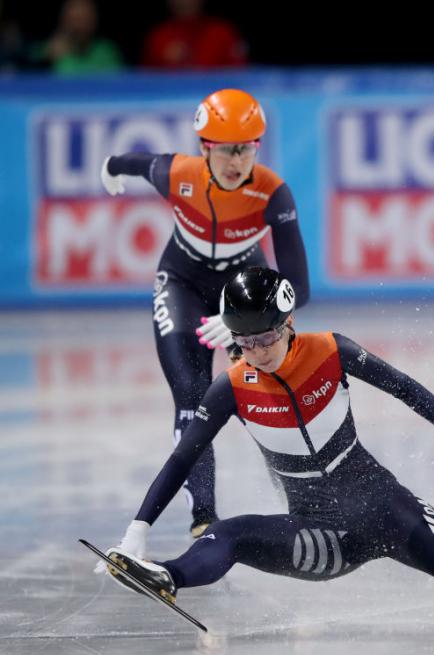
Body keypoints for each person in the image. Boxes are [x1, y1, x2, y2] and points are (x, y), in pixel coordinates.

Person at [97, 267, 434, 646]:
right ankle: (166, 576)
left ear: (287, 324)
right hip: (322, 537)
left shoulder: (330, 349)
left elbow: (406, 388)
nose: (256, 351)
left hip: (386, 508)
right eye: (243, 342)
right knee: (230, 535)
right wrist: (137, 531)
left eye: (265, 338)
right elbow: (182, 460)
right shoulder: (231, 387)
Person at [100, 89, 310, 538]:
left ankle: (303, 502)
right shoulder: (179, 174)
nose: (239, 161)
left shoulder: (272, 192)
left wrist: (246, 316)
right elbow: (138, 162)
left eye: (249, 148)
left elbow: (299, 288)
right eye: (228, 150)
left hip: (243, 289)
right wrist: (111, 166)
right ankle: (204, 516)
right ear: (205, 149)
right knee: (191, 394)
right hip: (181, 283)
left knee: (266, 396)